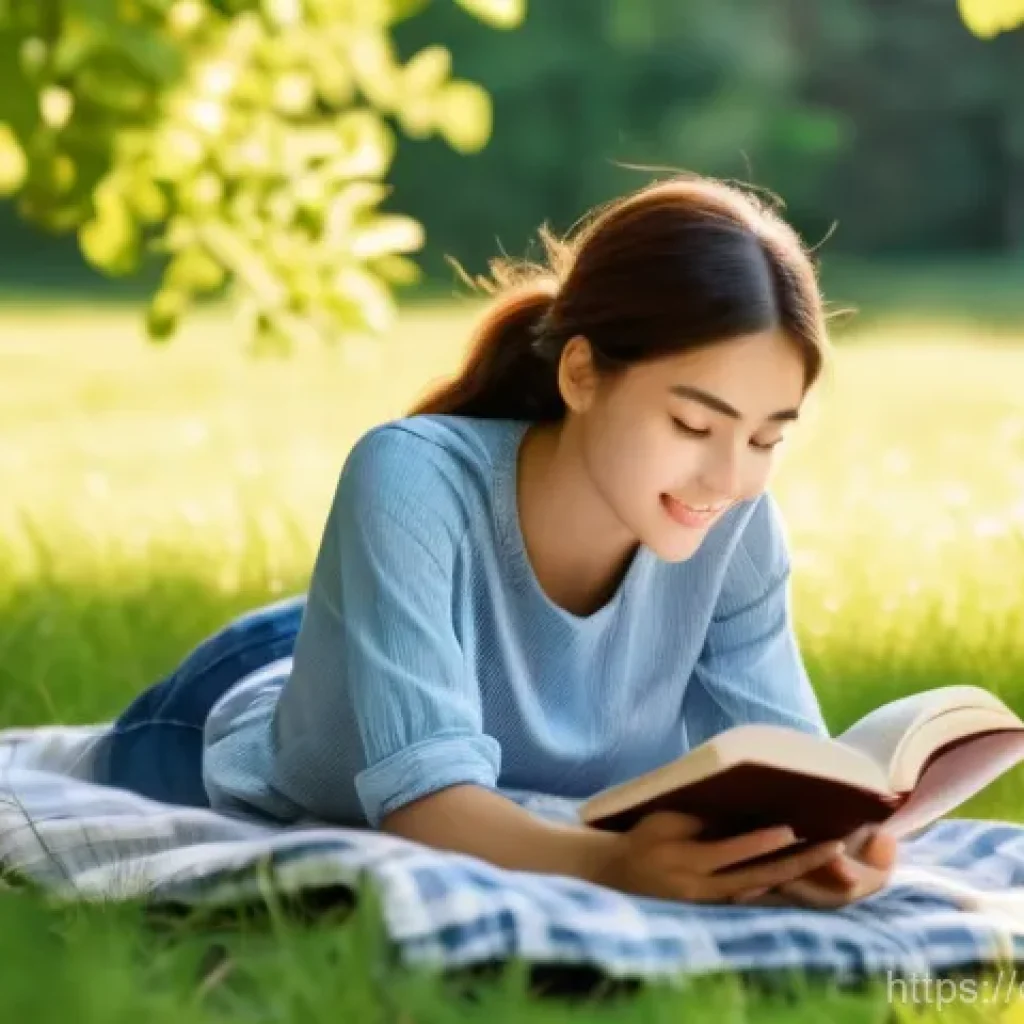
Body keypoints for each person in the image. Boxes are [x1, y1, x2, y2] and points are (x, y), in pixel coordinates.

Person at [97, 173, 897, 909]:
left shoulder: (738, 527)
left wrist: (830, 849)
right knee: (117, 761)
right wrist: (612, 865)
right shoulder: (409, 476)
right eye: (693, 423)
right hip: (249, 697)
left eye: (766, 440)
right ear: (581, 374)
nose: (729, 478)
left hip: (432, 644)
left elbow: (797, 764)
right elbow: (424, 806)